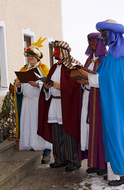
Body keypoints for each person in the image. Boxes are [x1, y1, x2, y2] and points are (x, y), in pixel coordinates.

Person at [79, 19, 124, 186]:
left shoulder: (116, 56)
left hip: (116, 104)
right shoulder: (115, 54)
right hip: (116, 103)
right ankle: (117, 173)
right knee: (115, 135)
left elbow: (106, 79)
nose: (103, 38)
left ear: (112, 35)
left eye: (105, 34)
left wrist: (87, 77)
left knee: (115, 135)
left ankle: (118, 175)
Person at [38, 41, 82, 171]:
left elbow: (76, 87)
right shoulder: (54, 67)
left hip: (68, 105)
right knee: (57, 133)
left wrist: (60, 86)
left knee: (69, 133)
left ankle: (73, 161)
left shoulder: (73, 67)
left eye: (56, 50)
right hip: (54, 103)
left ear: (63, 51)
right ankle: (60, 159)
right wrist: (47, 88)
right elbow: (50, 86)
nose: (54, 53)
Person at [14, 37, 52, 164]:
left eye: (32, 56)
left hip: (38, 102)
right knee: (29, 125)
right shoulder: (23, 69)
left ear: (37, 57)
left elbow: (49, 85)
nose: (30, 58)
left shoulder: (44, 68)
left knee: (39, 124)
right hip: (26, 102)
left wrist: (38, 84)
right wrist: (18, 87)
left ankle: (46, 153)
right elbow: (19, 89)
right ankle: (31, 148)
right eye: (28, 56)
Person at [77, 33, 107, 175]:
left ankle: (103, 165)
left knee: (100, 131)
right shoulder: (89, 59)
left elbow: (106, 79)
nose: (92, 44)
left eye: (94, 42)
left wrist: (88, 81)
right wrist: (82, 80)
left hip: (100, 98)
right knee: (89, 129)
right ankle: (93, 162)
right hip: (88, 96)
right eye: (90, 42)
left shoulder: (105, 60)